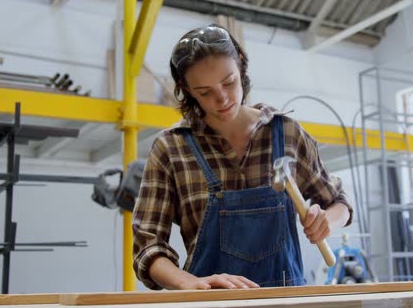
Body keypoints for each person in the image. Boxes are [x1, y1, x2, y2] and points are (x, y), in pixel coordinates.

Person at [132, 24, 353, 290]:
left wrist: (326, 221)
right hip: (209, 304)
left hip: (284, 302)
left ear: (241, 64)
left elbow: (340, 204)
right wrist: (190, 284)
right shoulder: (170, 149)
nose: (222, 98)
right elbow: (148, 246)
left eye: (229, 82)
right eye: (205, 92)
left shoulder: (287, 134)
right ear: (186, 89)